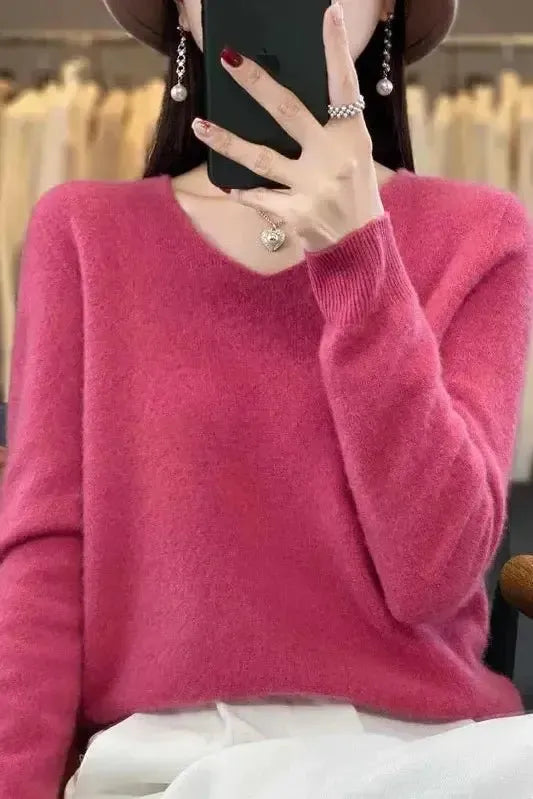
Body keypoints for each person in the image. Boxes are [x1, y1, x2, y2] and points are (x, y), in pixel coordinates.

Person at [0, 0, 532, 796]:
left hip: (417, 757)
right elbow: (45, 560)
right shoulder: (84, 232)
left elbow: (434, 575)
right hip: (174, 758)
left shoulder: (480, 233)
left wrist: (359, 259)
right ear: (183, 10)